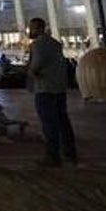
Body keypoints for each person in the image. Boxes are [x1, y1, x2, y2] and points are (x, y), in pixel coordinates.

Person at [27, 17, 77, 167]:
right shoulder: (55, 43)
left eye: (31, 28)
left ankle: (52, 155)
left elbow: (37, 63)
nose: (29, 31)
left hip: (44, 88)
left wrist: (31, 72)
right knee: (63, 120)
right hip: (58, 87)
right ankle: (69, 152)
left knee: (49, 123)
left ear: (38, 28)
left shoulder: (38, 44)